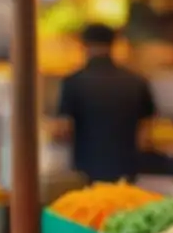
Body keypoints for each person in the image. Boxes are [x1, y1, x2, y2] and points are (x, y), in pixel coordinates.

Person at [52, 24, 156, 182]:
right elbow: (146, 134)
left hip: (87, 168)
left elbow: (63, 129)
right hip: (127, 168)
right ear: (113, 44)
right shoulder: (136, 81)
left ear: (84, 45)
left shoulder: (74, 82)